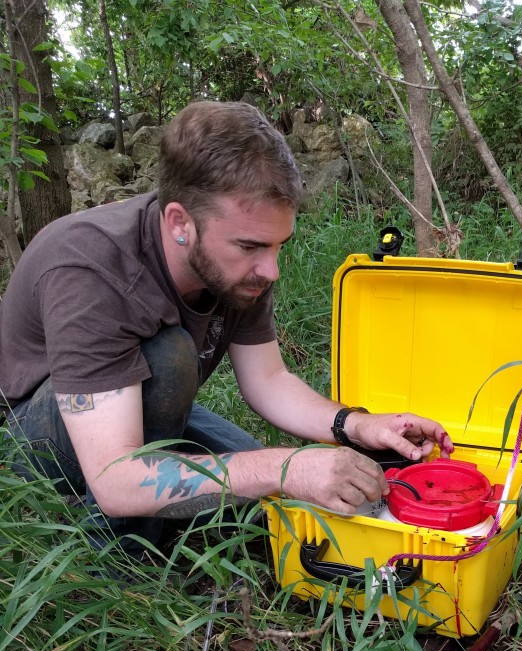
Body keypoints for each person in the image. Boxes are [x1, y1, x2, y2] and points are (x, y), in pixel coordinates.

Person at [0, 101, 451, 555]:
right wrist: (283, 467)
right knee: (172, 360)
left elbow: (269, 380)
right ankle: (119, 564)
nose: (270, 269)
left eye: (278, 246)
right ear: (180, 223)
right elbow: (115, 477)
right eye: (251, 246)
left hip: (129, 400)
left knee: (267, 507)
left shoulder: (239, 271)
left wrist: (355, 424)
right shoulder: (91, 268)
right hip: (35, 439)